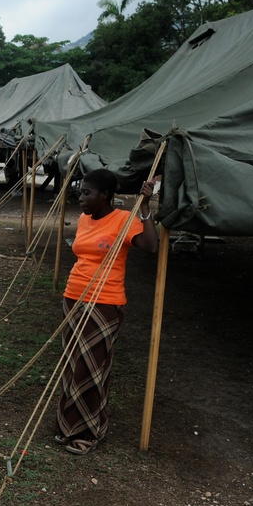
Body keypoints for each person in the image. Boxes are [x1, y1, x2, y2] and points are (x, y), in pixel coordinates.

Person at [55, 169, 158, 455]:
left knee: (92, 368)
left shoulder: (124, 220)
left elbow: (150, 247)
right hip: (73, 298)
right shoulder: (85, 220)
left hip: (105, 303)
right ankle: (67, 426)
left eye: (87, 192)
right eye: (81, 191)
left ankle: (89, 431)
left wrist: (146, 207)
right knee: (72, 364)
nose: (81, 197)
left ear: (105, 195)